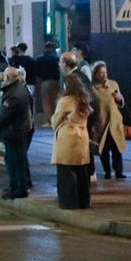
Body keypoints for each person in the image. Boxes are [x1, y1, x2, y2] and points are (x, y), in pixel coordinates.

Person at [51, 74, 93, 209]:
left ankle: (69, 202)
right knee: (81, 171)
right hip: (82, 136)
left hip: (67, 137)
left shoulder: (65, 101)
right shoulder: (84, 100)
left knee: (66, 171)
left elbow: (55, 121)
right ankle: (84, 201)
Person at [0, 66, 32, 199]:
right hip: (17, 131)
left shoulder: (13, 94)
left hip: (13, 132)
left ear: (8, 78)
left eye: (4, 76)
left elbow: (4, 114)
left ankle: (18, 188)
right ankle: (16, 186)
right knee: (17, 161)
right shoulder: (20, 89)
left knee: (14, 162)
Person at [89, 62, 126, 181]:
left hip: (114, 122)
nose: (104, 75)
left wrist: (119, 99)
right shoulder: (93, 89)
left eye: (105, 72)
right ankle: (107, 171)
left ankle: (119, 171)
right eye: (101, 73)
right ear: (96, 74)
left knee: (117, 147)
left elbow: (121, 103)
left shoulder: (113, 84)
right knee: (103, 149)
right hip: (102, 122)